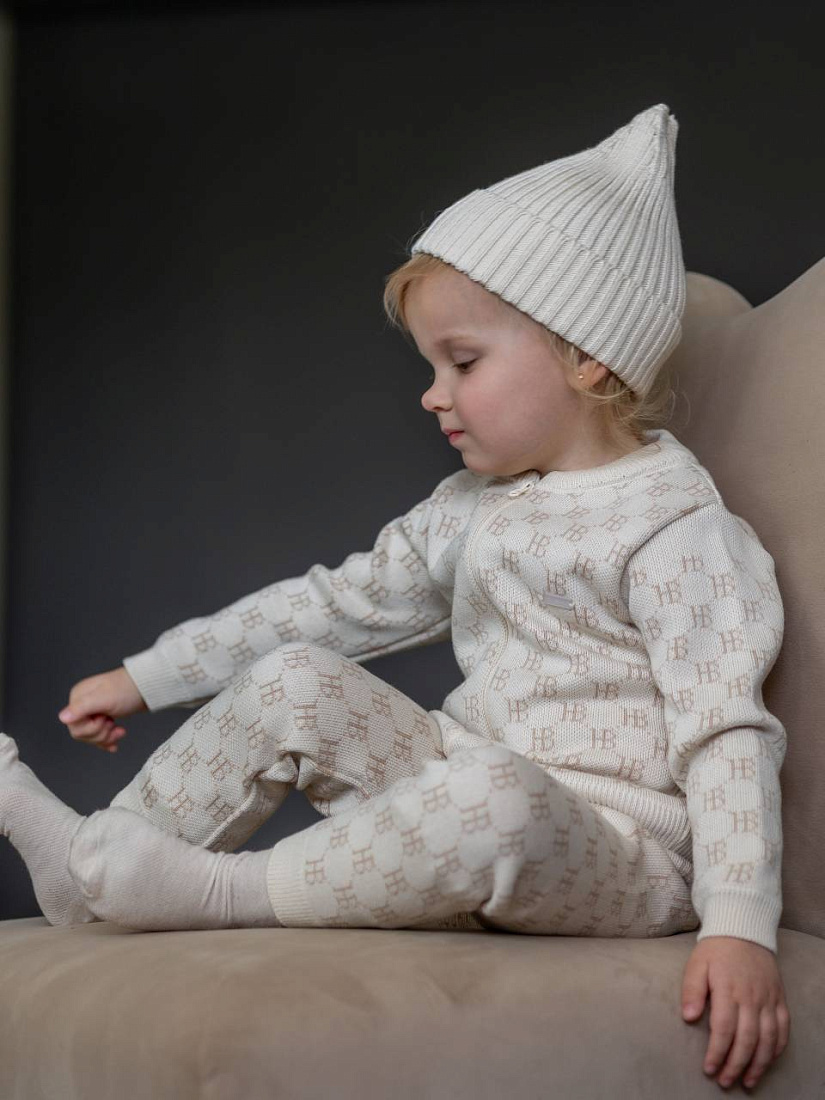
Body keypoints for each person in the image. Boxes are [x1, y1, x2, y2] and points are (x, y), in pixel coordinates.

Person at [1, 103, 789, 1090]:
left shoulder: (676, 528)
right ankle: (94, 871)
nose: (432, 392)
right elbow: (331, 606)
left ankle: (218, 889)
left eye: (463, 361)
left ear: (587, 356)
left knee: (491, 796)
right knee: (298, 677)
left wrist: (738, 925)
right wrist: (145, 676)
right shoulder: (470, 507)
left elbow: (727, 732)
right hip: (461, 789)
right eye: (429, 365)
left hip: (619, 856)